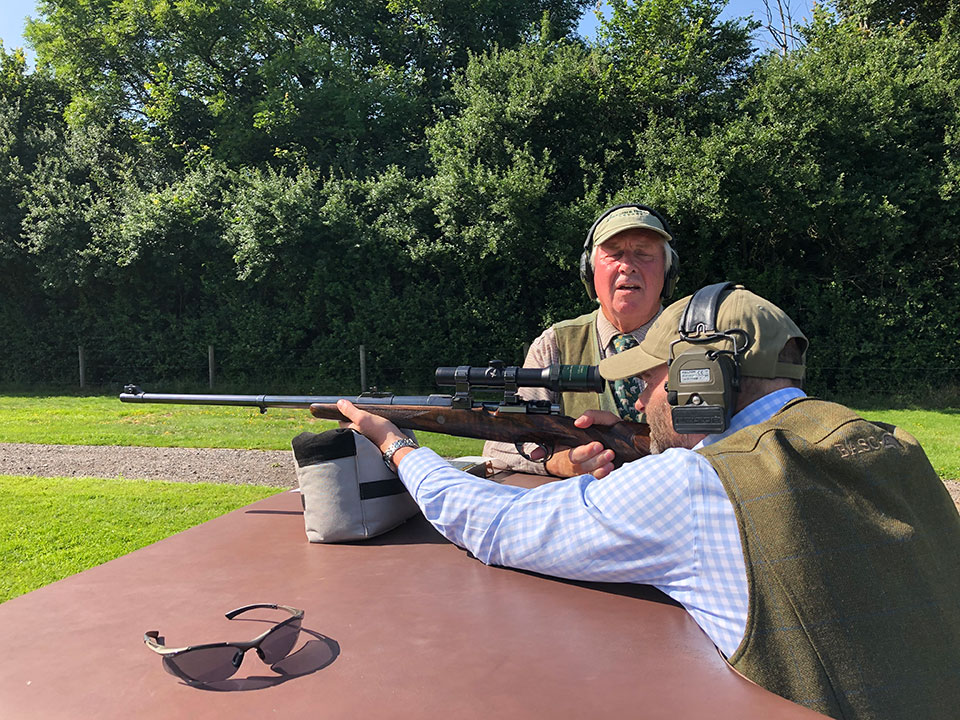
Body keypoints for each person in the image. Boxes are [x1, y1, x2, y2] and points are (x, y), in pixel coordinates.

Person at [338, 283, 960, 720]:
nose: (640, 400)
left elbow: (495, 525)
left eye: (651, 377)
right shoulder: (888, 445)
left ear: (701, 375)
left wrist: (396, 445)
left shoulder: (696, 484)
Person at [482, 203, 680, 477]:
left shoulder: (696, 341)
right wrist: (560, 462)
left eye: (643, 253)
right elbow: (498, 447)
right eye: (614, 254)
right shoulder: (554, 345)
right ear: (590, 272)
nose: (627, 266)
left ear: (668, 272)